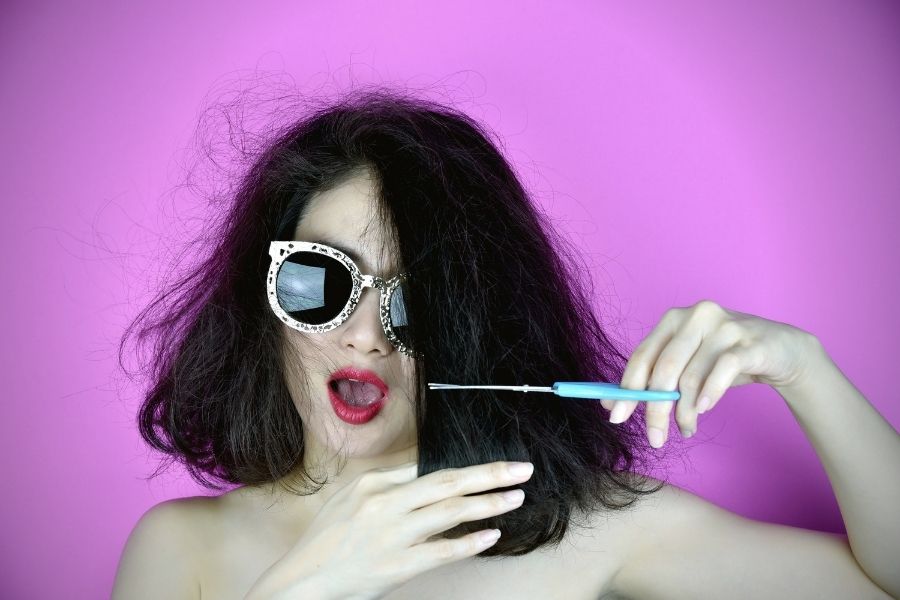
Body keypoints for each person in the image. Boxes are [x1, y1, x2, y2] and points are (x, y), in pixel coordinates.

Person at [111, 88, 899, 599]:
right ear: (264, 297)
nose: (363, 337)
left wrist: (805, 369)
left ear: (477, 325)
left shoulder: (591, 531)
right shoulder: (184, 551)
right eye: (320, 281)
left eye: (417, 302)